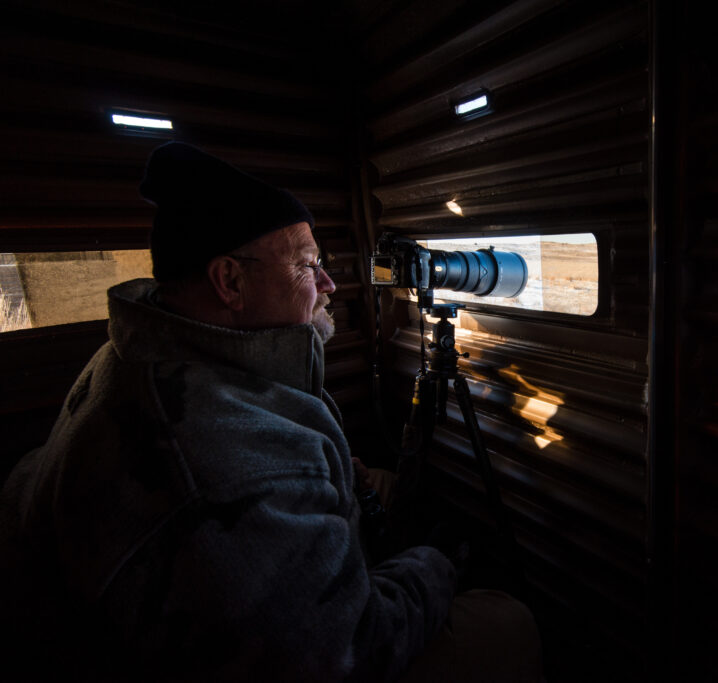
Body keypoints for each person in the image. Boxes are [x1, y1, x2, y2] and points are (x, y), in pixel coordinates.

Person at [0, 142, 542, 681]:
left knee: (384, 483)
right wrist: (433, 566)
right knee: (505, 622)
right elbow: (346, 653)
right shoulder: (227, 461)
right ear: (230, 281)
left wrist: (324, 478)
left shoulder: (139, 350)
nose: (330, 284)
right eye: (308, 266)